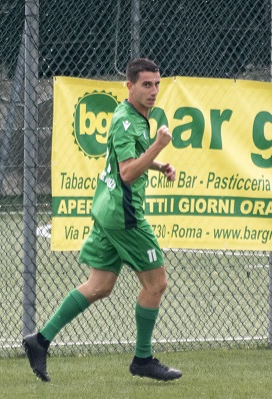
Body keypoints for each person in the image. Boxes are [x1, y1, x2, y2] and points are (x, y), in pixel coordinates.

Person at [22, 58, 181, 382]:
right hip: (124, 215)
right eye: (146, 85)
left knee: (100, 286)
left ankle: (39, 341)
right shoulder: (127, 121)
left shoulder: (134, 117)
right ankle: (143, 359)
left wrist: (159, 164)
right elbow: (126, 173)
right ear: (129, 86)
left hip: (108, 209)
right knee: (157, 283)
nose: (153, 91)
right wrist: (158, 146)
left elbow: (130, 159)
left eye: (156, 84)